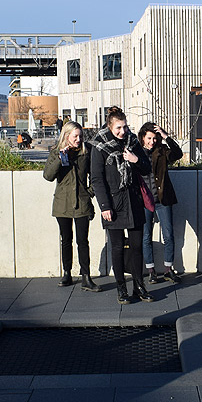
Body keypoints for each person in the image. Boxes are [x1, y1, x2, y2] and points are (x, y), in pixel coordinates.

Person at [89, 106, 154, 305]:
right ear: (110, 127)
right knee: (117, 247)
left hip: (133, 201)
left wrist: (135, 159)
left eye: (124, 127)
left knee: (137, 246)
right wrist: (104, 206)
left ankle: (139, 286)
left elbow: (146, 167)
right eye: (118, 128)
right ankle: (121, 287)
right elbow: (97, 179)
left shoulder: (132, 142)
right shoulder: (99, 145)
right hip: (113, 204)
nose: (122, 132)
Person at [44, 120, 100, 292]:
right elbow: (48, 175)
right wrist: (60, 158)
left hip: (82, 203)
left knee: (83, 241)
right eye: (75, 136)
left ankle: (86, 277)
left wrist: (89, 192)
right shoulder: (56, 152)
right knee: (65, 239)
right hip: (63, 203)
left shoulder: (86, 152)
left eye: (80, 136)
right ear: (66, 136)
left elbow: (96, 176)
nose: (79, 139)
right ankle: (67, 273)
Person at [138, 121, 183, 284]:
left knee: (169, 234)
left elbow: (178, 154)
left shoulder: (162, 151)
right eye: (149, 138)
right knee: (146, 236)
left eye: (155, 138)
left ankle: (168, 269)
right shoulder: (136, 153)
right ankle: (151, 270)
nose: (152, 141)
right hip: (144, 201)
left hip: (163, 199)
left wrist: (166, 136)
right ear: (143, 138)